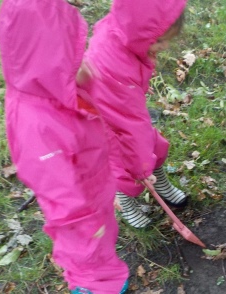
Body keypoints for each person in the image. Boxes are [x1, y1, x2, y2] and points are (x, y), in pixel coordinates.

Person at [0, 0, 129, 293]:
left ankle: (104, 275)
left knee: (101, 244)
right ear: (46, 60)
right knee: (86, 255)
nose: (80, 61)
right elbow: (53, 182)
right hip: (77, 213)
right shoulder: (35, 122)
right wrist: (82, 220)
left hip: (92, 189)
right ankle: (93, 286)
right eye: (70, 57)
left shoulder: (52, 89)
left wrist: (78, 79)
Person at [79, 0, 189, 228]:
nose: (165, 46)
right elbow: (129, 125)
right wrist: (142, 168)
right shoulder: (116, 70)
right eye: (160, 41)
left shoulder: (122, 32)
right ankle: (125, 202)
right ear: (139, 34)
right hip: (108, 123)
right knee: (124, 167)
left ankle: (162, 184)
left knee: (154, 145)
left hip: (122, 109)